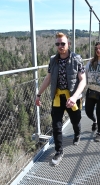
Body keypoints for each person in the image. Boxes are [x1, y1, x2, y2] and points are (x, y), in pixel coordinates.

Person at [35, 32, 86, 166]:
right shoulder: (53, 60)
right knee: (56, 125)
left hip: (72, 97)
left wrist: (75, 97)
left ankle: (77, 133)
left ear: (68, 44)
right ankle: (59, 151)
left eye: (62, 43)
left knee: (76, 120)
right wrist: (38, 94)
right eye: (57, 44)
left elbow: (83, 80)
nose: (60, 46)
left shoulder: (77, 58)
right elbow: (48, 78)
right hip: (58, 97)